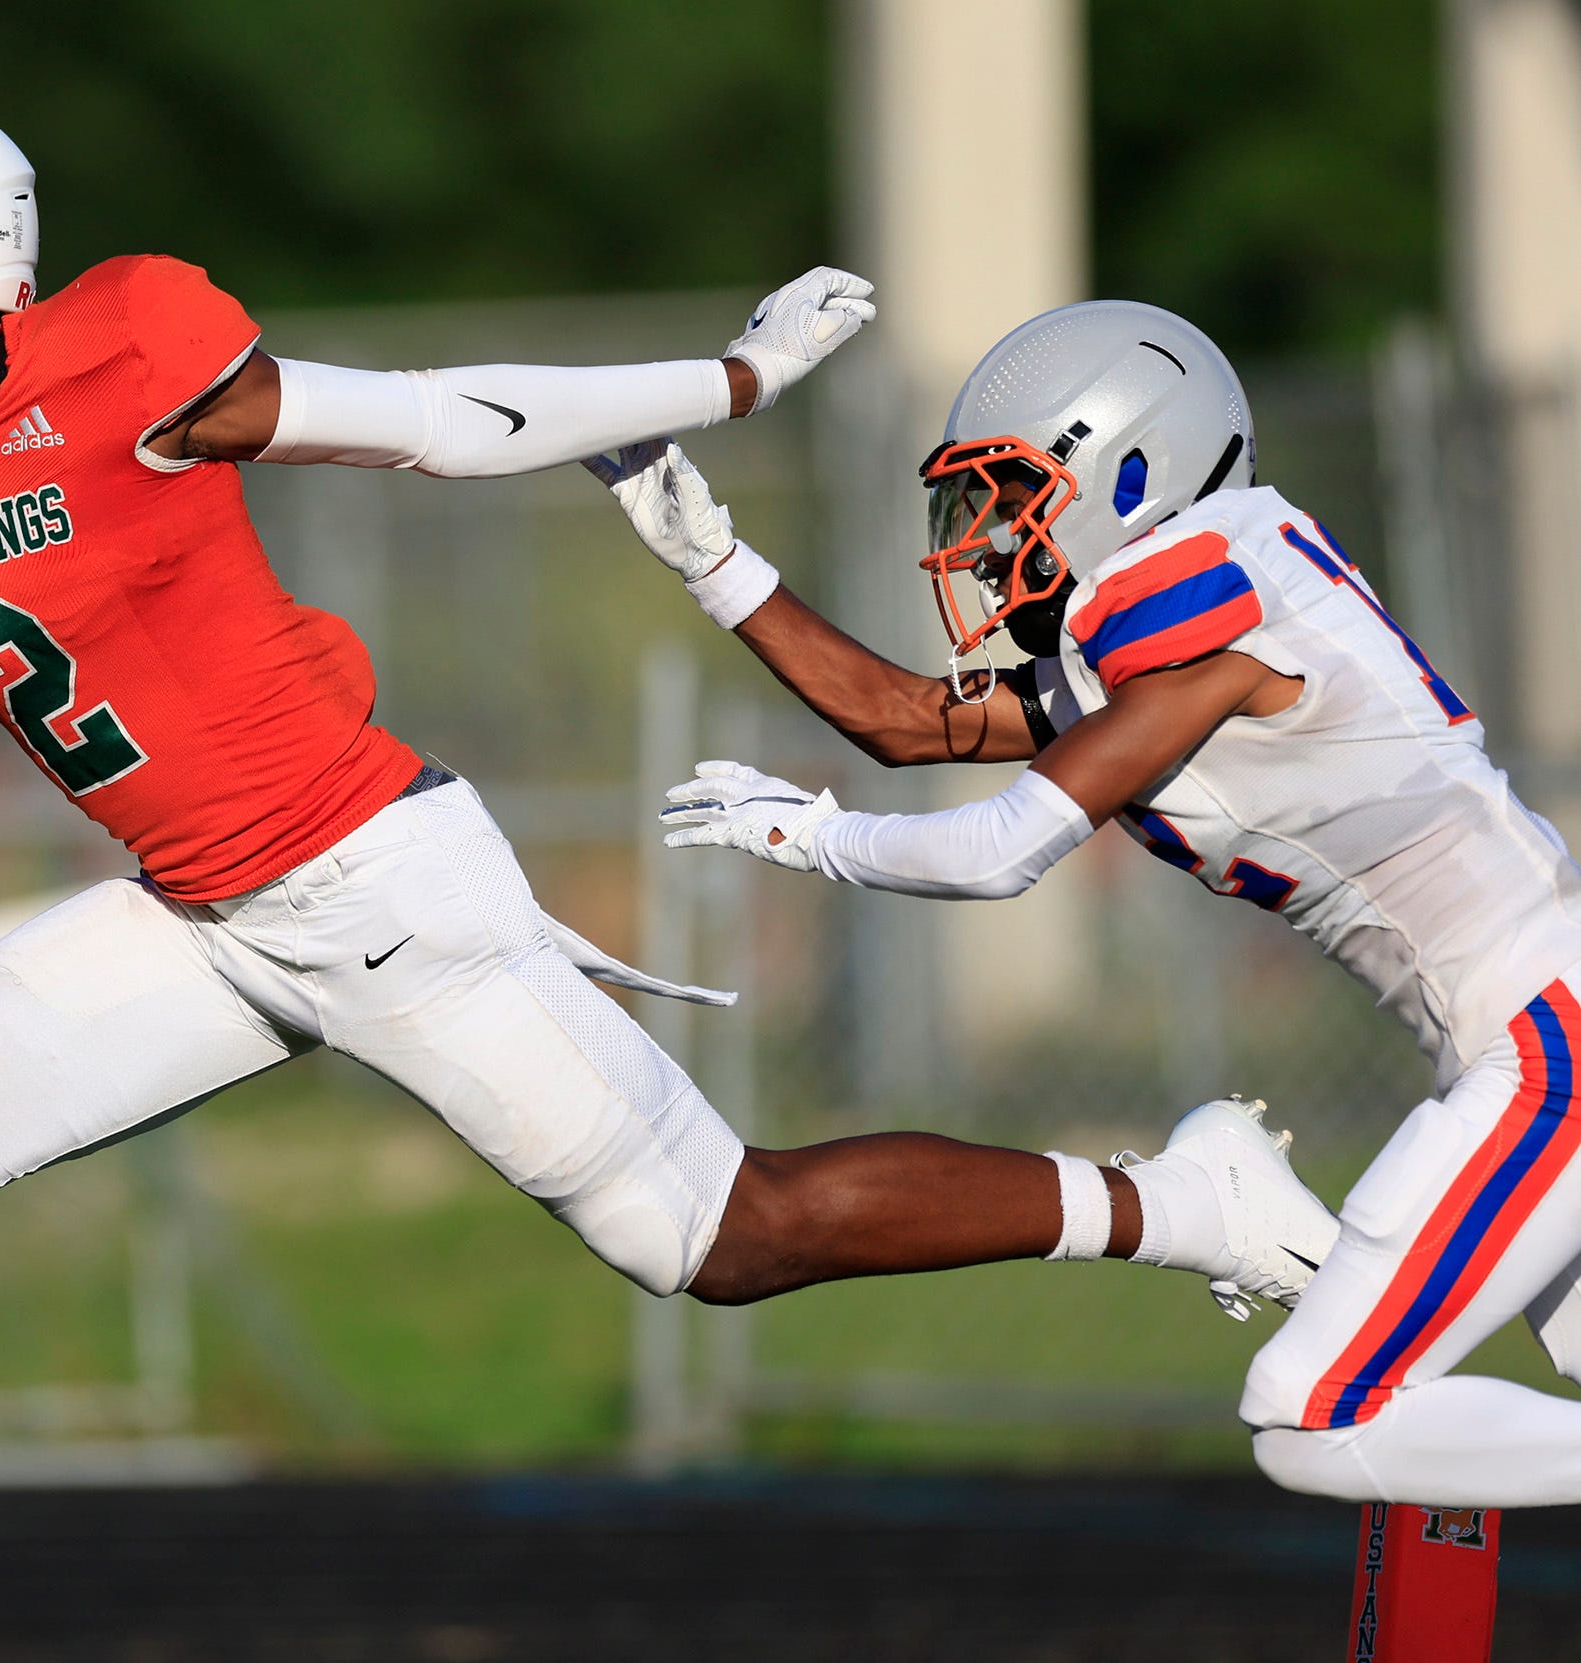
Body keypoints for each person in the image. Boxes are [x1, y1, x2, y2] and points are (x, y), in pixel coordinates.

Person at [0, 89, 1326, 1662]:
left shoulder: (122, 354)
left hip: (386, 888)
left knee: (721, 1243)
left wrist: (725, 376)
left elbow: (448, 418)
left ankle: (1179, 1196)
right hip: (206, 916)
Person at [595, 297, 1581, 1512]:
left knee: (1316, 1416)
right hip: (1528, 1032)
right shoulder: (1196, 616)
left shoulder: (1196, 596)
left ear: (1129, 466)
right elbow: (908, 721)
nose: (986, 537)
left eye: (1010, 498)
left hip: (1550, 1044)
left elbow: (1001, 850)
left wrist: (811, 835)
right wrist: (713, 561)